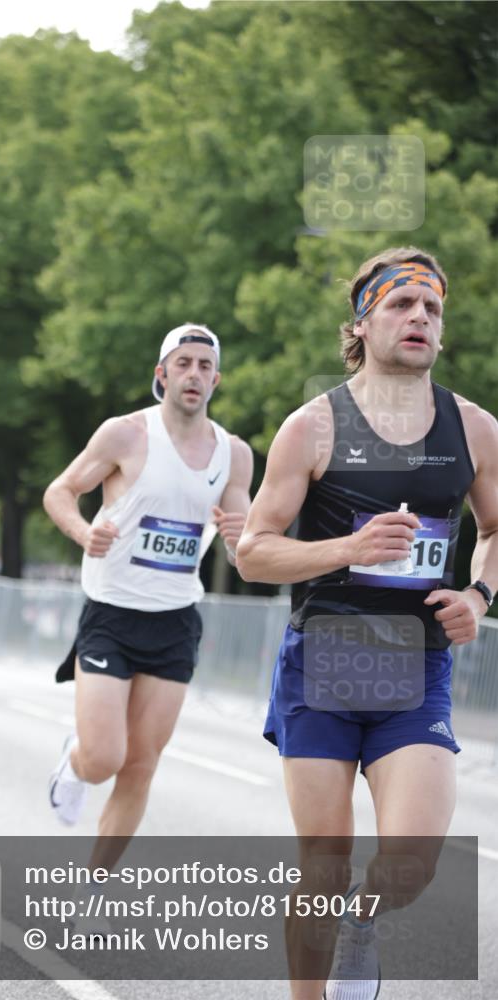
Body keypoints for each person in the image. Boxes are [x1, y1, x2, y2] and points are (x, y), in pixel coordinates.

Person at [236, 248, 497, 1000]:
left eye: (432, 309)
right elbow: (253, 552)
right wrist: (348, 549)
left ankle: (362, 921)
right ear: (361, 322)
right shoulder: (312, 427)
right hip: (323, 662)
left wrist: (477, 595)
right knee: (322, 857)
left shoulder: (473, 428)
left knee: (410, 862)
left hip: (414, 666)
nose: (418, 318)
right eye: (400, 305)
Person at [43, 324, 253, 872]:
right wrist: (84, 532)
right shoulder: (126, 434)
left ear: (217, 380)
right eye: (183, 363)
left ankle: (91, 889)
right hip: (111, 612)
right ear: (162, 374)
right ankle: (74, 763)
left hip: (176, 620)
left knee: (140, 765)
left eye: (205, 366)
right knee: (104, 757)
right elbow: (60, 491)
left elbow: (245, 543)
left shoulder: (234, 454)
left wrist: (241, 541)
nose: (194, 374)